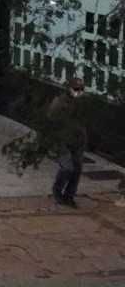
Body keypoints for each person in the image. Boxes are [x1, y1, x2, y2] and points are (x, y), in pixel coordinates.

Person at [48, 77, 88, 207]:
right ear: (69, 88)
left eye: (81, 89)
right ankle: (57, 189)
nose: (78, 92)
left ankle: (69, 196)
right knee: (67, 168)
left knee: (77, 170)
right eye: (76, 89)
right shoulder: (59, 102)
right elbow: (51, 120)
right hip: (62, 140)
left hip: (78, 140)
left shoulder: (83, 103)